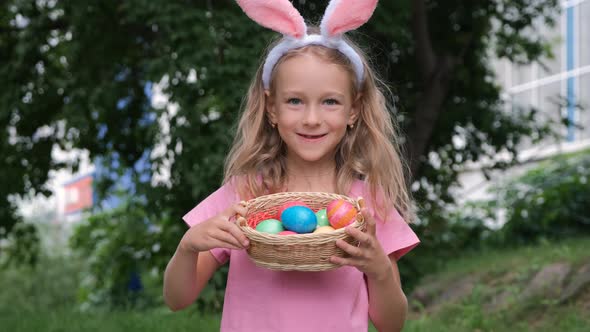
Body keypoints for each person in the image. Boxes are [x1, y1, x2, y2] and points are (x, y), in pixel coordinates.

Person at [163, 0, 420, 331]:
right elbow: (177, 299)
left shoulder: (367, 206)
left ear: (353, 111)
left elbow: (392, 324)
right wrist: (188, 246)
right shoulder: (244, 197)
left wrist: (379, 269)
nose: (311, 119)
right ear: (272, 109)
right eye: (295, 101)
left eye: (330, 102)